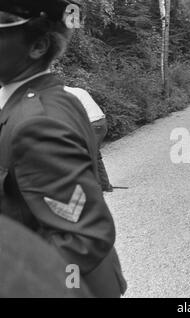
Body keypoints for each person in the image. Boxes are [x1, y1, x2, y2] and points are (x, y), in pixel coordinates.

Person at [0, 0, 126, 297]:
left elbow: (84, 236)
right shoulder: (53, 98)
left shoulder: (36, 122)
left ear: (38, 46)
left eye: (2, 23)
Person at [64, 86, 113, 192]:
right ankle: (105, 185)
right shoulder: (77, 90)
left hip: (93, 125)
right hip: (101, 123)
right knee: (94, 154)